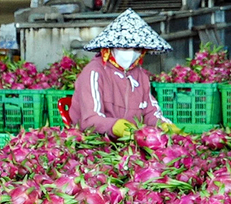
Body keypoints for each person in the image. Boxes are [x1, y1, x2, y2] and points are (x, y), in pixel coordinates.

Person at [69, 8, 179, 138]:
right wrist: (115, 126)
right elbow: (90, 120)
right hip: (95, 144)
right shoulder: (94, 72)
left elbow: (150, 112)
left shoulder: (140, 75)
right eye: (125, 47)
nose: (132, 53)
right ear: (110, 47)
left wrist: (164, 125)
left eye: (137, 49)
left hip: (130, 143)